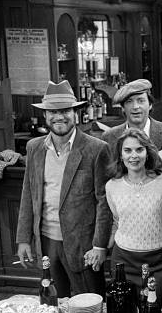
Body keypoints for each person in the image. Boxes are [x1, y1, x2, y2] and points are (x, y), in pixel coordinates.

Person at [16, 80, 111, 297]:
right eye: (53, 111)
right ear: (45, 115)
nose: (60, 116)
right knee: (54, 305)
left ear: (75, 113)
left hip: (83, 245)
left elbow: (104, 203)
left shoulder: (96, 149)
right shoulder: (34, 147)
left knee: (90, 307)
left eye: (65, 110)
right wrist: (23, 239)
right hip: (46, 241)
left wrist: (99, 246)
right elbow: (28, 195)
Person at [105, 129, 162, 306]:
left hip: (160, 262)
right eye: (128, 150)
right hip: (123, 261)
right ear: (120, 155)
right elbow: (117, 221)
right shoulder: (112, 186)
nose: (134, 155)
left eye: (139, 149)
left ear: (147, 153)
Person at [102, 79, 162, 151]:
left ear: (150, 105)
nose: (135, 107)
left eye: (141, 101)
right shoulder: (109, 137)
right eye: (129, 101)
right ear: (123, 108)